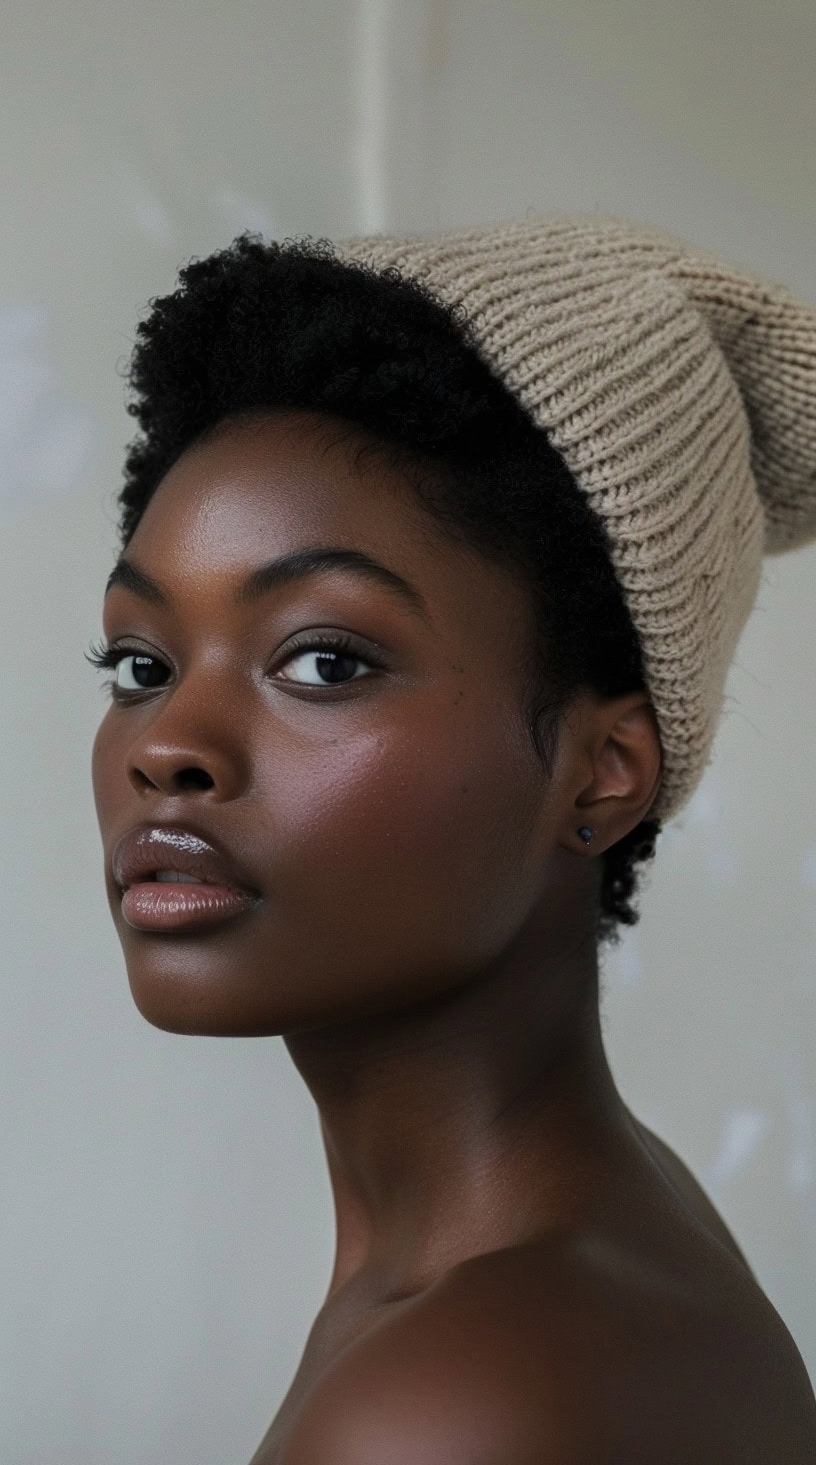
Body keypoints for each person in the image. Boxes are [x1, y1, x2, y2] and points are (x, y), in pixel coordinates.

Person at [90, 214, 816, 1462]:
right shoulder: (581, 1246)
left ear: (604, 770)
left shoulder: (465, 1396)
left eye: (323, 658)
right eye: (142, 662)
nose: (168, 744)